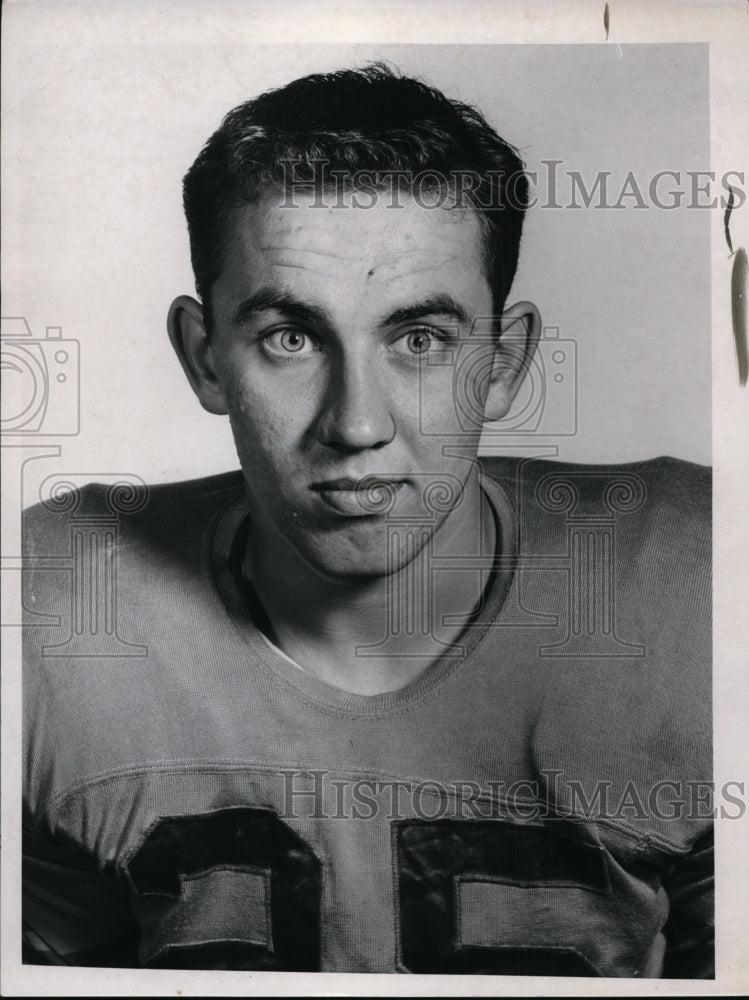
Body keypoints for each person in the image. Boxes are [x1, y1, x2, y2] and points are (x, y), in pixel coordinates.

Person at [22, 64, 712, 977]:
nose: (355, 424)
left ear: (503, 365)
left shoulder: (697, 575)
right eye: (291, 338)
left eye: (419, 340)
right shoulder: (62, 601)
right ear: (203, 356)